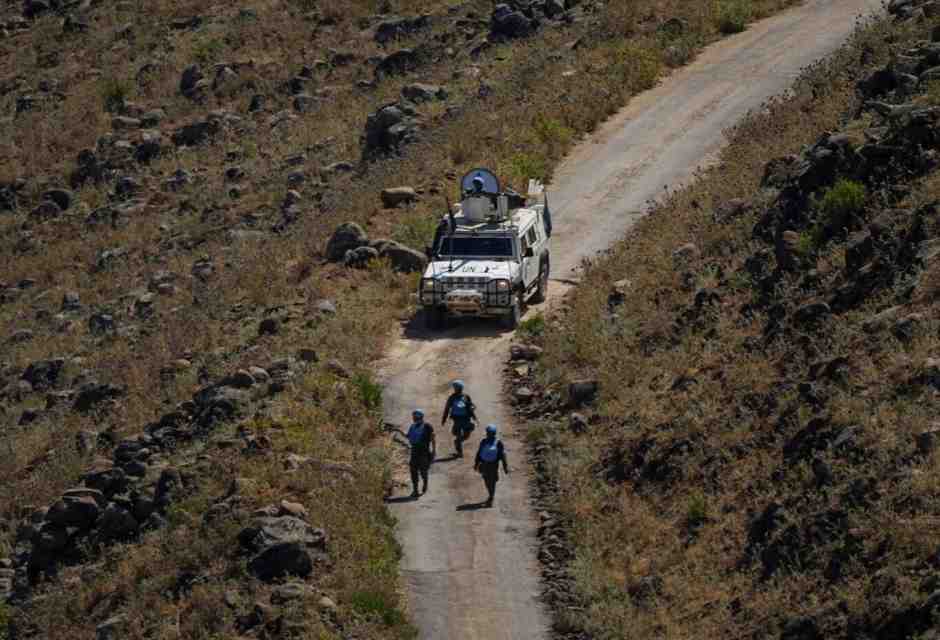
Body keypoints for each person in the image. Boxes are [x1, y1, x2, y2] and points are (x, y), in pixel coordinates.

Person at [474, 424, 509, 507]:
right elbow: (479, 453)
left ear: (494, 433)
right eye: (488, 433)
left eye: (491, 433)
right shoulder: (483, 441)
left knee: (492, 481)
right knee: (486, 480)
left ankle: (491, 497)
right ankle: (491, 494)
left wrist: (505, 467)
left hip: (493, 465)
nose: (489, 434)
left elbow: (502, 455)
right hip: (484, 465)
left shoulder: (498, 443)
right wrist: (476, 463)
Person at [442, 380, 477, 457]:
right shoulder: (452, 398)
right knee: (458, 434)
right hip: (457, 419)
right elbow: (447, 409)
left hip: (466, 418)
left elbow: (470, 407)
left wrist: (474, 415)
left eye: (459, 388)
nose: (458, 389)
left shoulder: (466, 397)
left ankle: (458, 442)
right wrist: (444, 419)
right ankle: (460, 452)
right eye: (457, 388)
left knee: (466, 435)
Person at [406, 409, 435, 498]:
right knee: (413, 471)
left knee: (423, 471)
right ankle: (415, 490)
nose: (413, 418)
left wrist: (434, 451)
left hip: (424, 452)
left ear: (420, 416)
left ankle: (425, 482)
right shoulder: (412, 427)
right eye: (413, 416)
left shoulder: (427, 426)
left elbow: (433, 438)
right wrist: (398, 432)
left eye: (415, 416)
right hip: (414, 451)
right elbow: (408, 436)